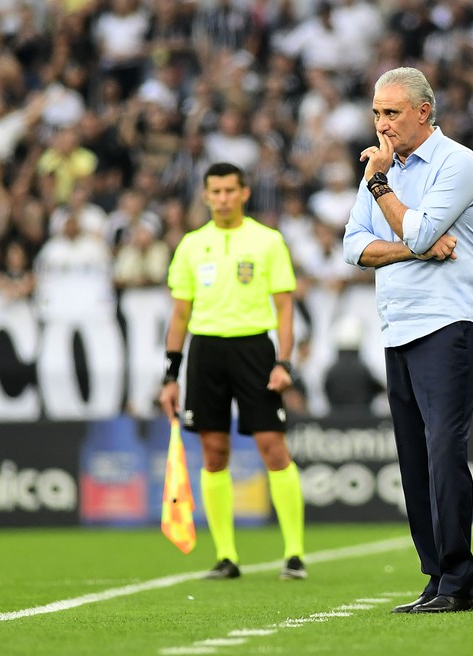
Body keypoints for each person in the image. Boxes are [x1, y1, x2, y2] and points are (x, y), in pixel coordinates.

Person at [343, 67, 473, 613]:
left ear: (424, 111)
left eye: (392, 113)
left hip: (448, 321)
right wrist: (414, 247)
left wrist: (382, 188)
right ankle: (435, 574)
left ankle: (459, 579)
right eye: (376, 113)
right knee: (413, 458)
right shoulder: (384, 167)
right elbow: (353, 248)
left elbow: (422, 229)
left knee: (443, 449)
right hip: (399, 323)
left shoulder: (458, 162)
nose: (382, 125)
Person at [158, 162, 306, 581]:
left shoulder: (267, 241)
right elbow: (180, 314)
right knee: (213, 452)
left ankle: (294, 552)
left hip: (254, 348)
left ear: (244, 193)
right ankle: (226, 556)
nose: (222, 198)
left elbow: (284, 307)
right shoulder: (190, 245)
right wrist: (171, 375)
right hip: (206, 352)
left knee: (273, 448)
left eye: (229, 190)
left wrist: (283, 361)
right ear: (205, 196)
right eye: (215, 191)